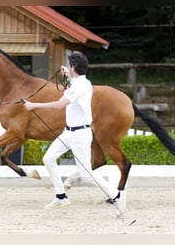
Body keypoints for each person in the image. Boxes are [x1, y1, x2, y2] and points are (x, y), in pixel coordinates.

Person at [23, 52, 125, 216]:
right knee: (48, 158)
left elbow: (59, 105)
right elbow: (73, 86)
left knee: (86, 174)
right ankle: (61, 195)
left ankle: (116, 195)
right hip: (68, 133)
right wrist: (68, 75)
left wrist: (33, 105)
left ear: (73, 67)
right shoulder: (82, 82)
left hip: (79, 135)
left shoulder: (78, 86)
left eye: (70, 66)